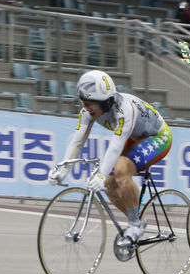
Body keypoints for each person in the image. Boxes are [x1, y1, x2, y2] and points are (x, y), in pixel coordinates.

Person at [47, 70, 173, 255]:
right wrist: (63, 170)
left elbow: (116, 145)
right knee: (109, 185)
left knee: (121, 169)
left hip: (158, 137)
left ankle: (135, 225)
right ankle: (136, 221)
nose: (85, 107)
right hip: (134, 136)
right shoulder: (88, 111)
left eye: (89, 104)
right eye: (83, 102)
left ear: (106, 102)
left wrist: (100, 173)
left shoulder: (125, 109)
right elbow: (77, 140)